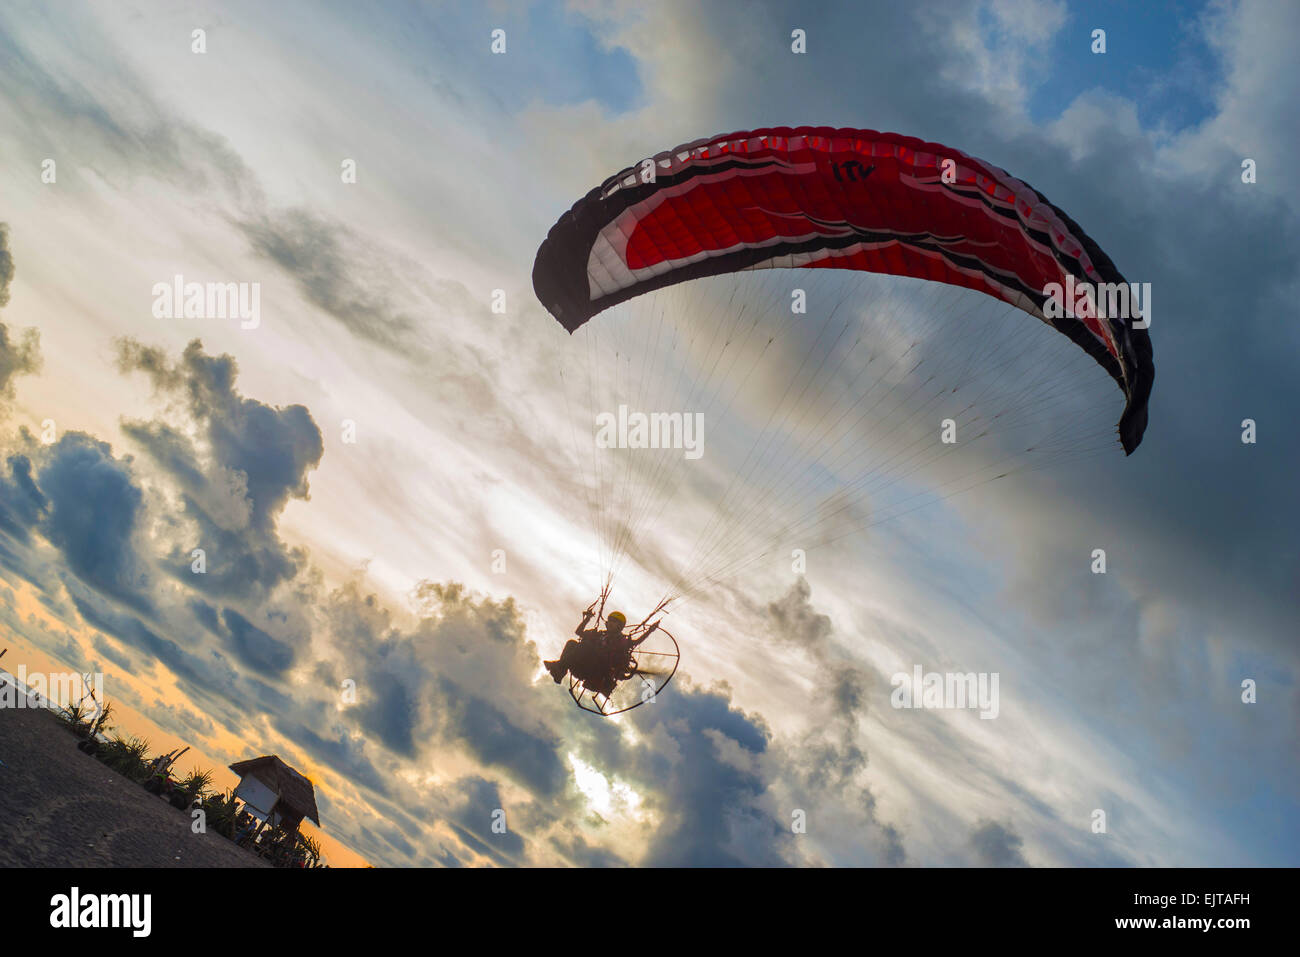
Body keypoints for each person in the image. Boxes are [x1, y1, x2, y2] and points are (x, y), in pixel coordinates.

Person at [545, 607, 659, 697]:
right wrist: (587, 618)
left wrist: (649, 631)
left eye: (614, 622)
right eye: (610, 620)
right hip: (579, 667)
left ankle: (558, 666)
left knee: (586, 646)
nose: (610, 623)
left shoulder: (622, 641)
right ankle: (560, 671)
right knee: (571, 643)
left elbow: (636, 642)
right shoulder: (599, 635)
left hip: (595, 671)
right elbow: (578, 632)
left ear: (620, 626)